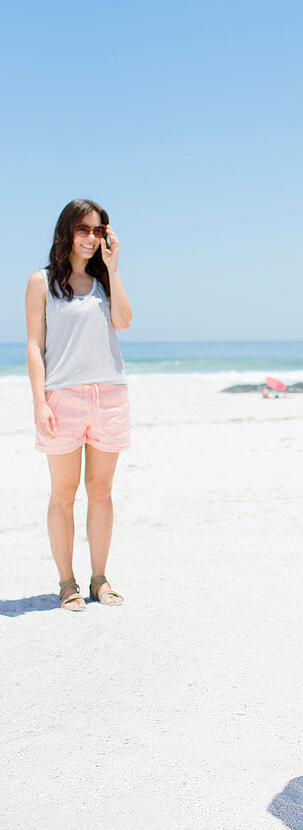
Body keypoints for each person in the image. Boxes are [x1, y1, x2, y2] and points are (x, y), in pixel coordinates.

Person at [25, 199, 132, 611]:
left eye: (99, 230)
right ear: (68, 232)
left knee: (101, 492)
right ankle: (67, 582)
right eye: (84, 229)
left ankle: (100, 579)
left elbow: (123, 321)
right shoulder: (42, 282)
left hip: (109, 397)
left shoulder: (108, 282)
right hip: (63, 398)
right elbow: (35, 345)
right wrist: (40, 401)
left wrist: (115, 268)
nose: (91, 238)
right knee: (63, 494)